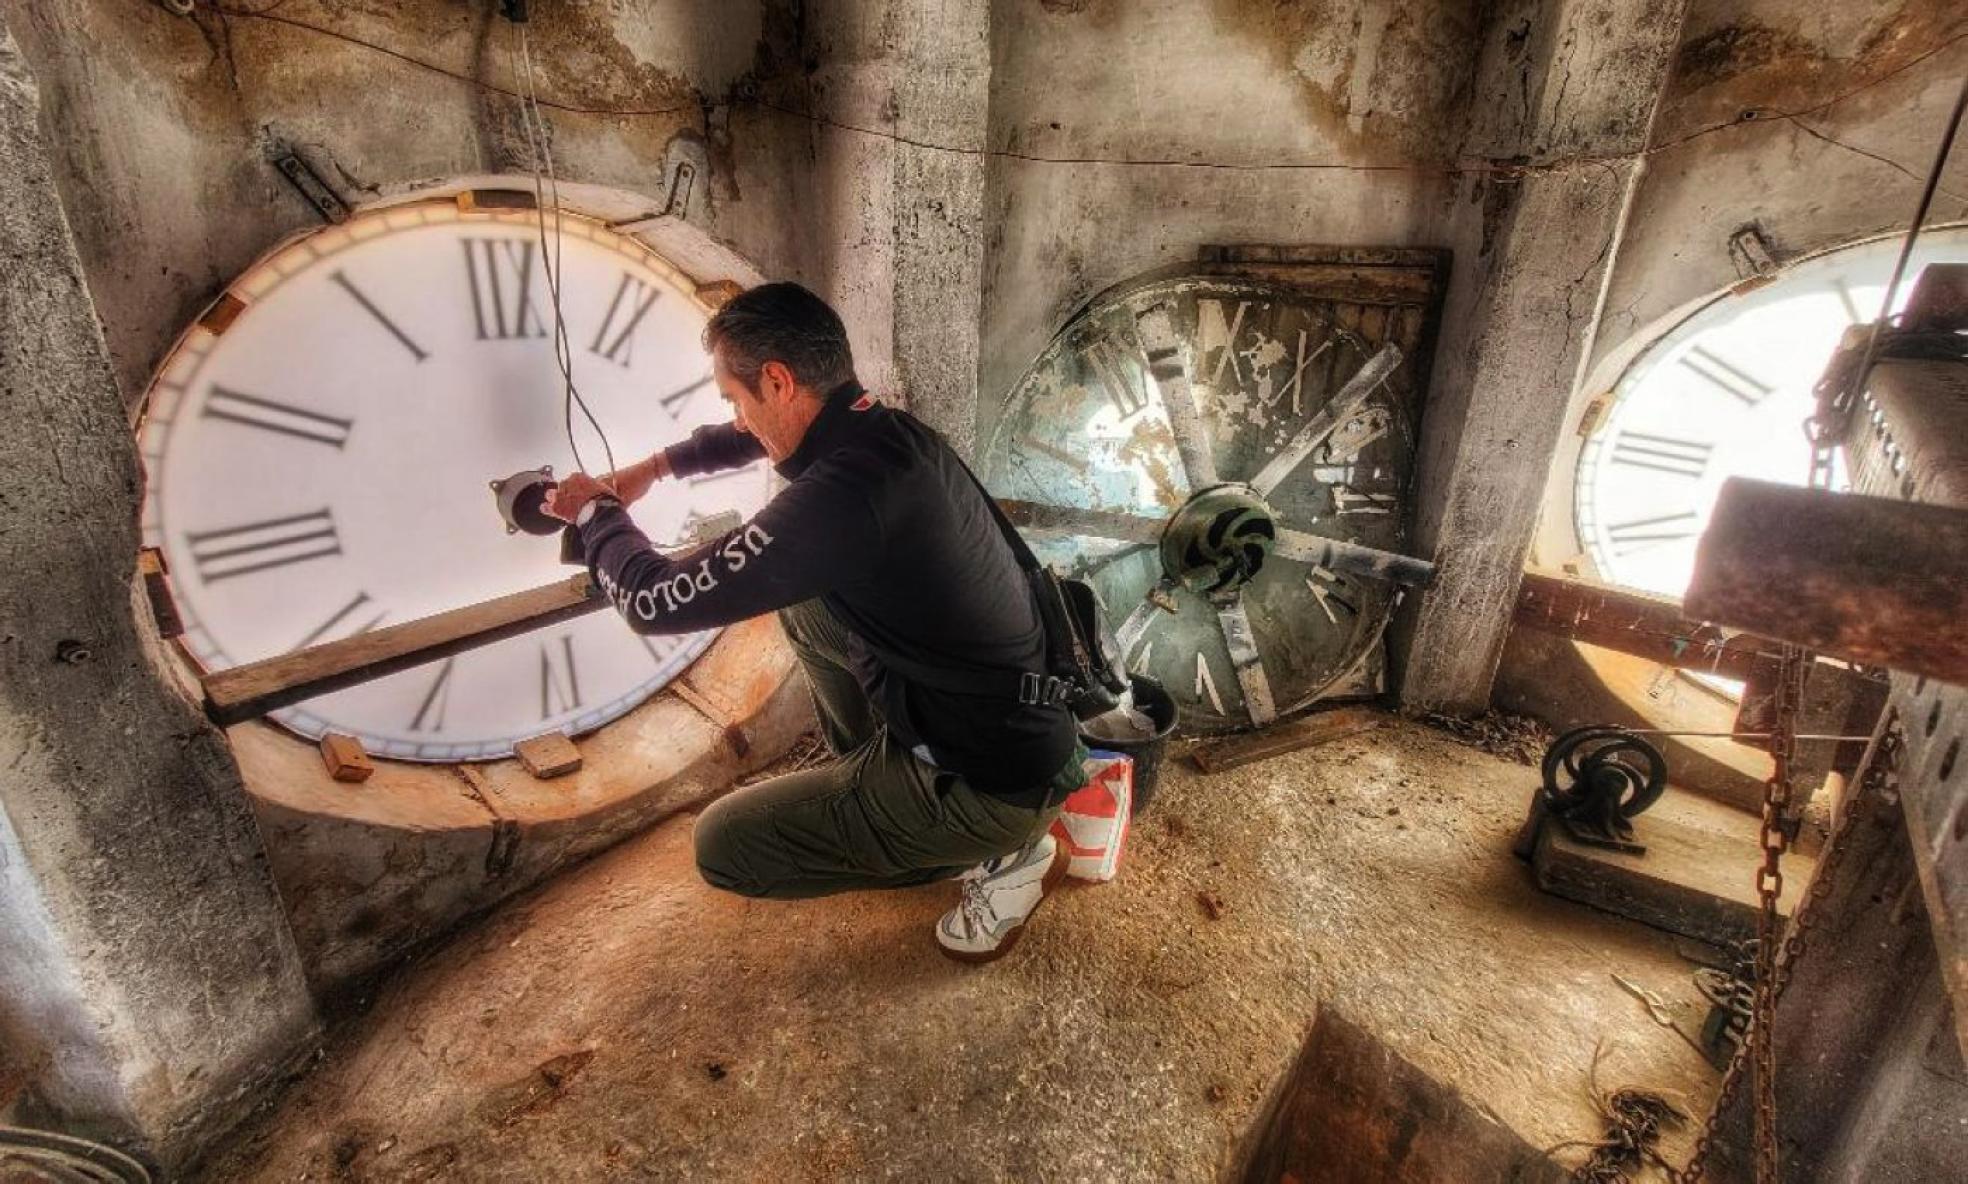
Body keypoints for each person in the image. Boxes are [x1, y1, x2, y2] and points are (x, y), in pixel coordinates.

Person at [544, 282, 1088, 962]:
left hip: (994, 784)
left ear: (777, 381)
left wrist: (596, 515)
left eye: (734, 399)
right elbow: (753, 440)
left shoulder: (842, 501)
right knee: (807, 604)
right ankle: (881, 785)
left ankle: (1000, 857)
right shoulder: (883, 434)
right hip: (1021, 720)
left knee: (724, 847)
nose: (735, 418)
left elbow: (658, 602)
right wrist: (656, 468)